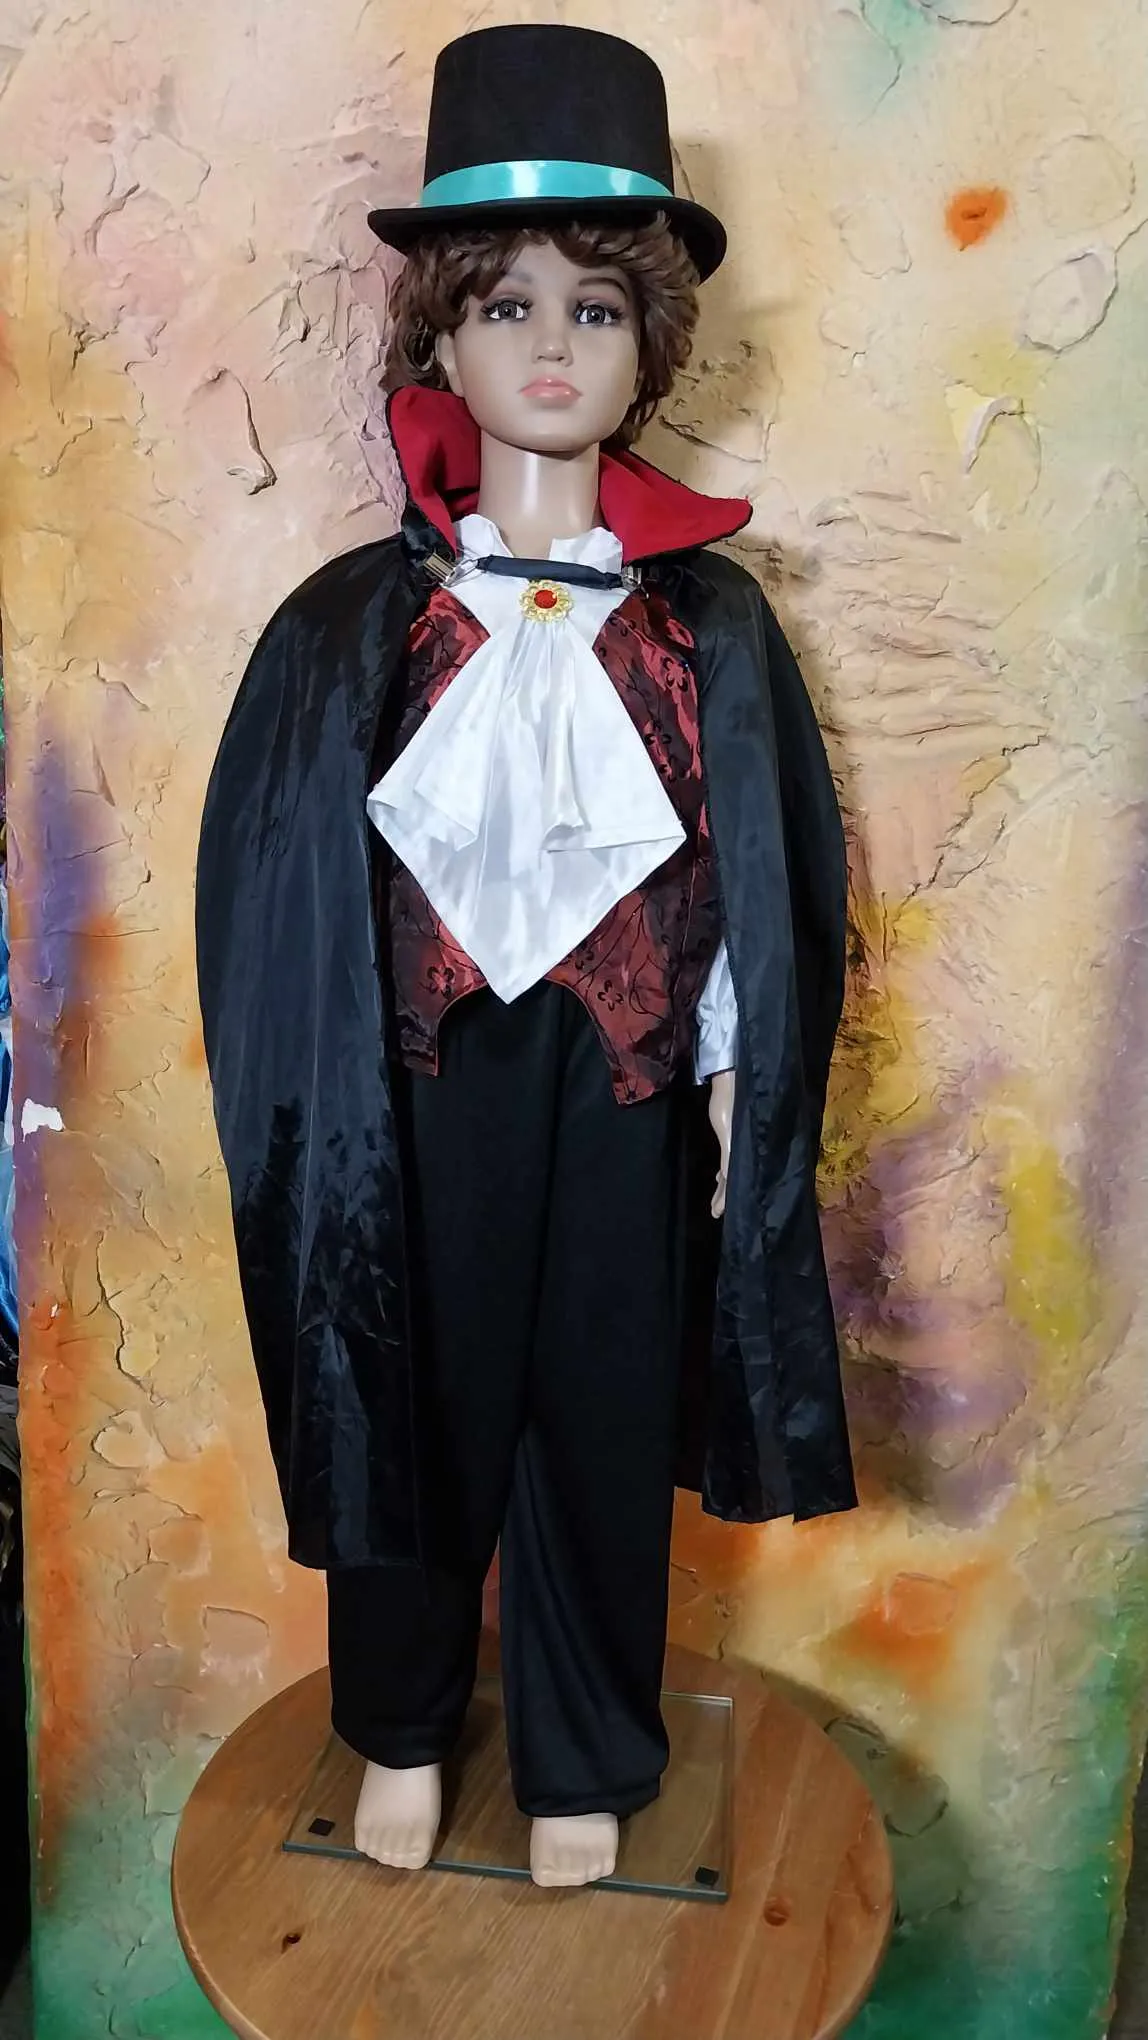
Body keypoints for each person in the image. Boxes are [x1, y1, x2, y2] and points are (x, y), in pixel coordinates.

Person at [195, 21, 856, 1891]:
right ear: (445, 336)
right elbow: (273, 896)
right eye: (507, 305)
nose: (551, 346)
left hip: (627, 1085)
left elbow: (764, 874)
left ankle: (587, 1747)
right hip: (416, 1085)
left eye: (595, 307)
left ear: (652, 344)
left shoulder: (713, 626)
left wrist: (733, 1071)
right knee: (410, 1385)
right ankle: (400, 1725)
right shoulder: (353, 623)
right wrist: (322, 1093)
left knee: (600, 1400)